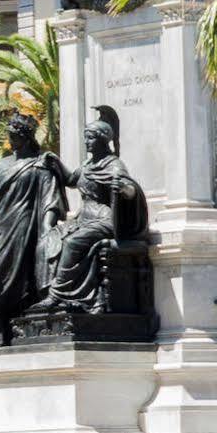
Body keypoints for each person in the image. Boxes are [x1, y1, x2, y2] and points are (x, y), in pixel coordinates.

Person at [0, 111, 70, 345]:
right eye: (9, 136)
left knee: (20, 276)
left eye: (14, 136)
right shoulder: (3, 164)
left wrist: (47, 229)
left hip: (26, 228)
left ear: (25, 138)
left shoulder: (40, 164)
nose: (10, 141)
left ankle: (8, 328)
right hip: (2, 227)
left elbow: (50, 200)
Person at [45, 113, 148, 312]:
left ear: (102, 139)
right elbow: (71, 180)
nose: (86, 142)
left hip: (104, 218)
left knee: (73, 242)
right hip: (83, 218)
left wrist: (124, 189)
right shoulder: (87, 165)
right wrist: (56, 162)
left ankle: (57, 295)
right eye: (86, 137)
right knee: (49, 240)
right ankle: (55, 293)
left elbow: (130, 189)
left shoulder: (113, 165)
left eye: (91, 137)